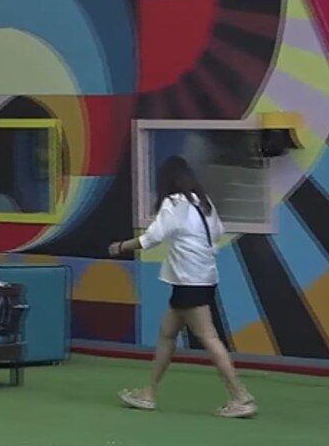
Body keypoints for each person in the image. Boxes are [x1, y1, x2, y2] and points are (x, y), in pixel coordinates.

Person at [108, 155, 257, 419]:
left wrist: (120, 247)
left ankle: (241, 397)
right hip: (201, 277)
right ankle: (147, 393)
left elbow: (152, 238)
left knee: (208, 337)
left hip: (189, 280)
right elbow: (218, 231)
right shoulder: (203, 201)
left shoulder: (174, 203)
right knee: (167, 334)